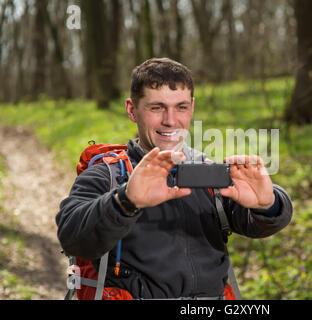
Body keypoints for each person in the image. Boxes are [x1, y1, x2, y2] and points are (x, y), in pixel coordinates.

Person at [56, 57, 293, 299]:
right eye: (156, 107)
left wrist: (269, 205)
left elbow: (256, 224)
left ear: (192, 108)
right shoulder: (108, 175)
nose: (170, 120)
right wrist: (124, 202)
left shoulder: (207, 172)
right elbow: (73, 237)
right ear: (132, 110)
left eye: (180, 107)